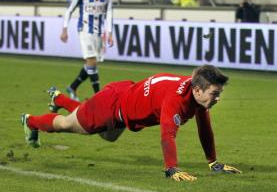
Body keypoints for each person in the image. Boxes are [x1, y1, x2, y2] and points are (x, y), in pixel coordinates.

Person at [20, 65, 241, 181]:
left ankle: (58, 98)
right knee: (67, 124)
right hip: (111, 106)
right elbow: (167, 135)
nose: (218, 98)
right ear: (198, 90)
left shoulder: (196, 95)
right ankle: (30, 122)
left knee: (108, 135)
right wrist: (171, 169)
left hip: (124, 101)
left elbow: (205, 128)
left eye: (219, 93)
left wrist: (213, 162)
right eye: (215, 93)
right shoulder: (176, 100)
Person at [62, 0, 114, 101]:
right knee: (91, 60)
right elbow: (69, 10)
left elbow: (109, 13)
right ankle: (99, 96)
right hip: (85, 30)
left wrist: (109, 33)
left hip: (98, 32)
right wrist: (64, 29)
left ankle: (73, 87)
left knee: (92, 64)